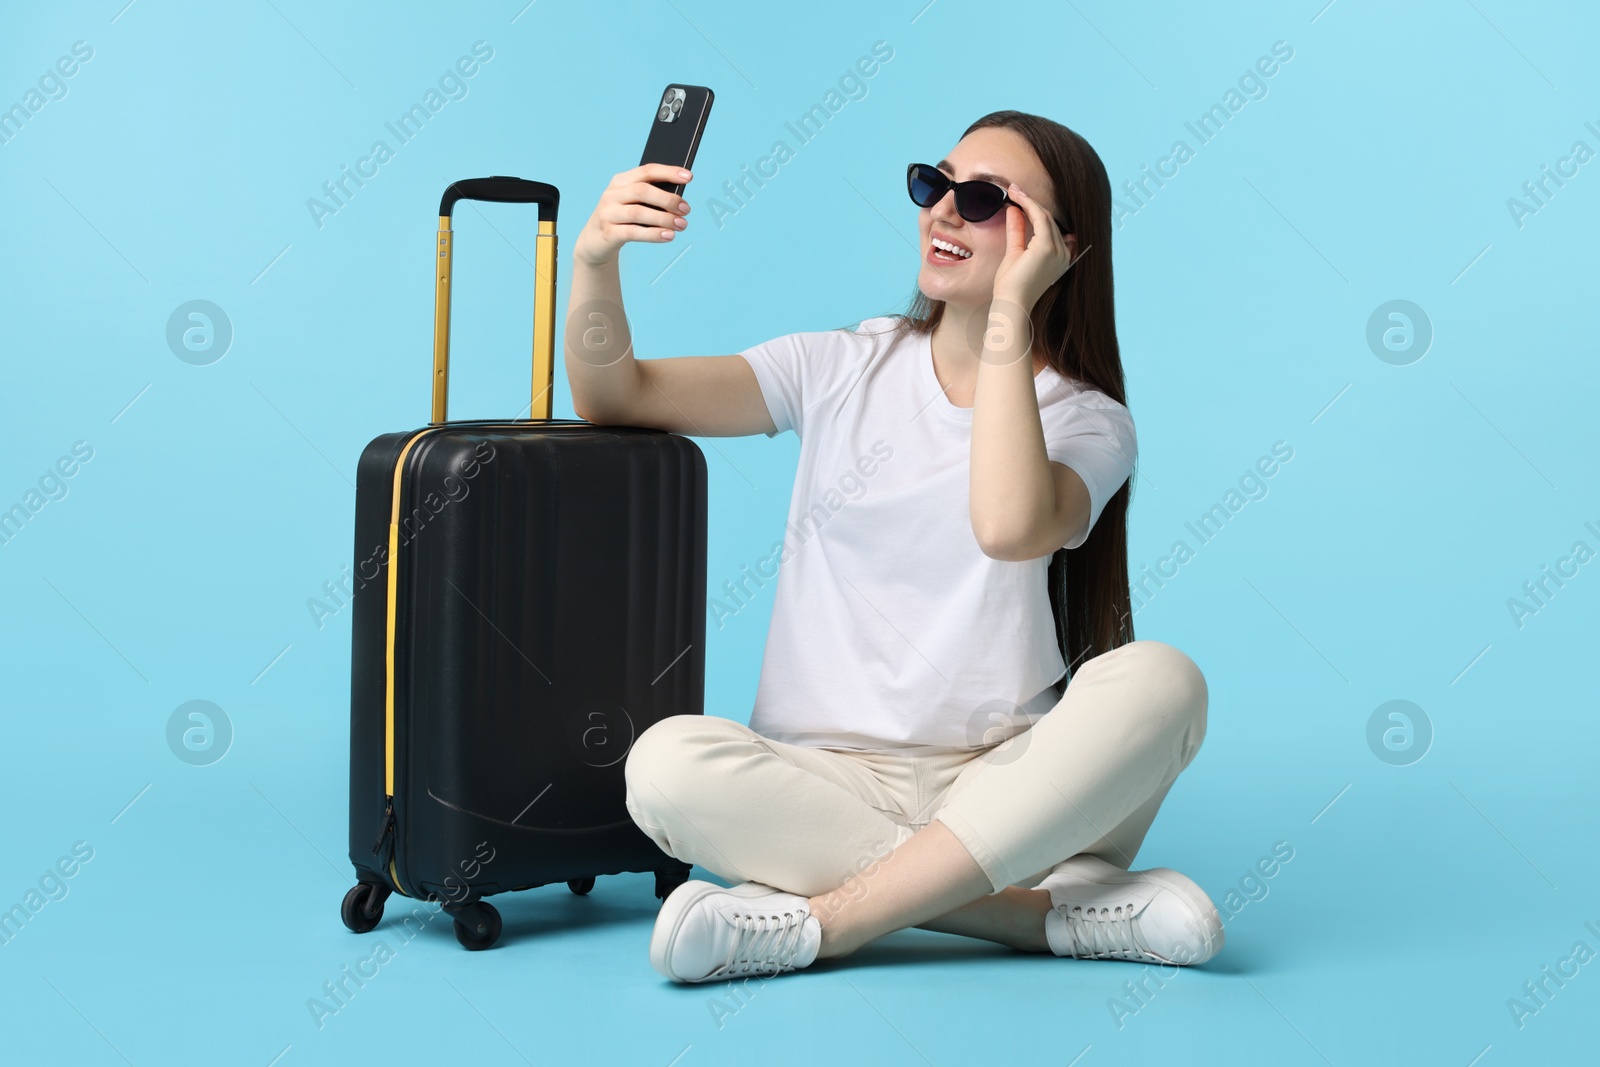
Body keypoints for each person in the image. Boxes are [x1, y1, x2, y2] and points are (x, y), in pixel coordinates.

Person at [565, 110, 1220, 985]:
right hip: (827, 784)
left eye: (985, 199)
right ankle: (1040, 921)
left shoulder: (1089, 419)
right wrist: (594, 260)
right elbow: (618, 395)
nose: (944, 210)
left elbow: (1008, 524)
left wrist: (1010, 315)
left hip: (1011, 787)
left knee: (1164, 681)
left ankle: (825, 923)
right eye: (933, 183)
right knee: (664, 765)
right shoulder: (838, 365)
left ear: (1061, 247)